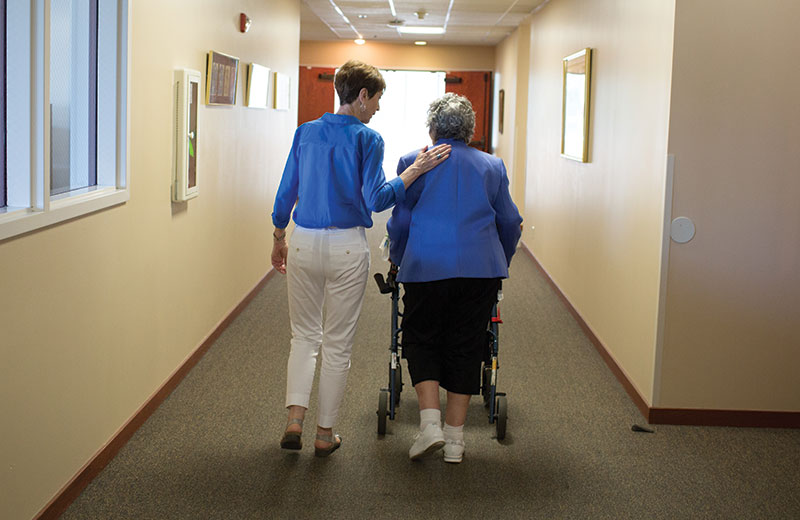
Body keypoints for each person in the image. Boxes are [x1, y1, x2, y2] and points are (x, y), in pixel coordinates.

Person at [271, 60, 451, 457]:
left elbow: (286, 192)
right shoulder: (368, 139)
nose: (379, 108)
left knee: (303, 336)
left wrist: (278, 235)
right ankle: (324, 434)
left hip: (303, 241)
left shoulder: (305, 133)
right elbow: (377, 199)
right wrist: (413, 172)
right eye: (379, 99)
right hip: (346, 248)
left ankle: (294, 422)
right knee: (336, 344)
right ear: (363, 96)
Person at [387, 93, 522, 463]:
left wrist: (397, 258)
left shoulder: (415, 161)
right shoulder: (492, 166)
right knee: (467, 343)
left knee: (421, 336)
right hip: (480, 270)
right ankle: (456, 441)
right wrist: (501, 260)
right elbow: (510, 222)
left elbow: (400, 221)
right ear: (470, 131)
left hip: (426, 267)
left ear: (432, 128)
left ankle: (429, 425)